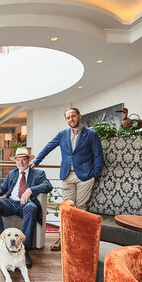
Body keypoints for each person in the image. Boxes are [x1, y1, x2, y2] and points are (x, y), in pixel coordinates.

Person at [30, 107, 103, 250]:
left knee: (81, 208)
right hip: (66, 175)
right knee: (67, 208)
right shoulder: (62, 134)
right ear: (66, 120)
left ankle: (79, 240)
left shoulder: (91, 134)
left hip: (85, 176)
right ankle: (63, 239)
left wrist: (95, 175)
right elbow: (48, 147)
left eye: (73, 116)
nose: (71, 120)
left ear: (79, 116)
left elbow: (98, 155)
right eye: (68, 118)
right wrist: (36, 161)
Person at [0, 147, 53, 268]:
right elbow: (3, 187)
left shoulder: (38, 173)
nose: (21, 162)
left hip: (26, 204)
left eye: (24, 160)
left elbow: (48, 185)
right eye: (18, 160)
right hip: (10, 202)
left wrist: (30, 190)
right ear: (15, 161)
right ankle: (1, 241)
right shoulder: (12, 173)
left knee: (32, 208)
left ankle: (24, 249)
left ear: (28, 161)